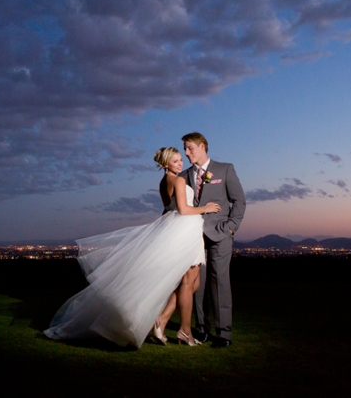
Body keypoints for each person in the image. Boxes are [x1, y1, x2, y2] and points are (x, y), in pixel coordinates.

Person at [43, 147, 220, 348]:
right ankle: (184, 331)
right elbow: (183, 209)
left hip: (178, 229)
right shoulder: (179, 181)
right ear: (165, 164)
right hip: (184, 230)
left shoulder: (163, 183)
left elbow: (168, 209)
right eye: (176, 161)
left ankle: (162, 319)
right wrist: (205, 208)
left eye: (181, 160)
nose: (180, 163)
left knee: (191, 284)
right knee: (189, 283)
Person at [181, 132, 246, 349]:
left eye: (189, 148)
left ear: (202, 146)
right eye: (185, 149)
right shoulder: (184, 176)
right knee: (197, 285)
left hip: (220, 236)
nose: (186, 152)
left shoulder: (225, 169)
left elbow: (239, 201)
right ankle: (201, 329)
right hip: (194, 238)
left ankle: (224, 334)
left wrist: (230, 228)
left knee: (220, 284)